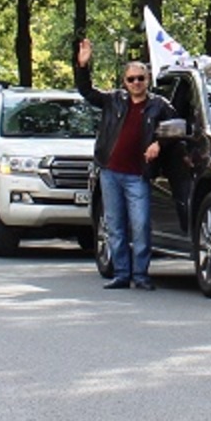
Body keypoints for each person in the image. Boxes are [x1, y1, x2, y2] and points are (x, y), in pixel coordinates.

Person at [75, 38, 176, 290]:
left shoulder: (159, 106)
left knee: (140, 225)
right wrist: (83, 66)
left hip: (138, 175)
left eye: (140, 78)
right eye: (131, 79)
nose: (136, 83)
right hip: (110, 172)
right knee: (115, 225)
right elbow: (87, 92)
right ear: (125, 82)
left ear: (148, 79)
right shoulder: (114, 100)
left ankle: (140, 275)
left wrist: (159, 144)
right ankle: (121, 273)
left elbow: (176, 130)